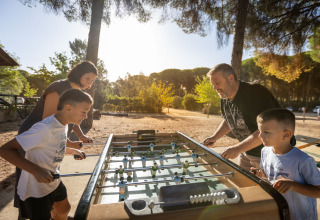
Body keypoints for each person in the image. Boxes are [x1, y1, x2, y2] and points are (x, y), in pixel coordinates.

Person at [14, 61, 98, 215]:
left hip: (51, 135)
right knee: (32, 184)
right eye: (87, 78)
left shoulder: (77, 93)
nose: (89, 83)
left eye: (92, 81)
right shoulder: (58, 88)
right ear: (78, 73)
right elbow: (51, 122)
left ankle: (55, 212)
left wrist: (79, 136)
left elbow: (70, 118)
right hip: (34, 135)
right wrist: (68, 144)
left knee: (48, 180)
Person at [0, 89, 92, 220]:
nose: (85, 116)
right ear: (68, 108)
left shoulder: (64, 125)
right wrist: (36, 170)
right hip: (35, 190)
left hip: (53, 180)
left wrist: (72, 151)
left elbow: (53, 146)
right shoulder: (44, 128)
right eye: (84, 112)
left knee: (64, 208)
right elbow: (5, 150)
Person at [203, 63, 280, 171]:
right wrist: (214, 137)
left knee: (269, 187)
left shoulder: (255, 93)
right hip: (247, 151)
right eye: (213, 85)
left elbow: (268, 130)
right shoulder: (224, 98)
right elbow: (229, 120)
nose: (215, 88)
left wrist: (238, 148)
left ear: (230, 78)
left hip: (270, 153)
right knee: (245, 185)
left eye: (217, 83)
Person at [255, 108, 320, 220]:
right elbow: (270, 176)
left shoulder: (303, 160)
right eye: (259, 131)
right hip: (279, 213)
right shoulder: (265, 152)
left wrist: (293, 185)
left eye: (266, 132)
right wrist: (260, 174)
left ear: (286, 135)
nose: (260, 136)